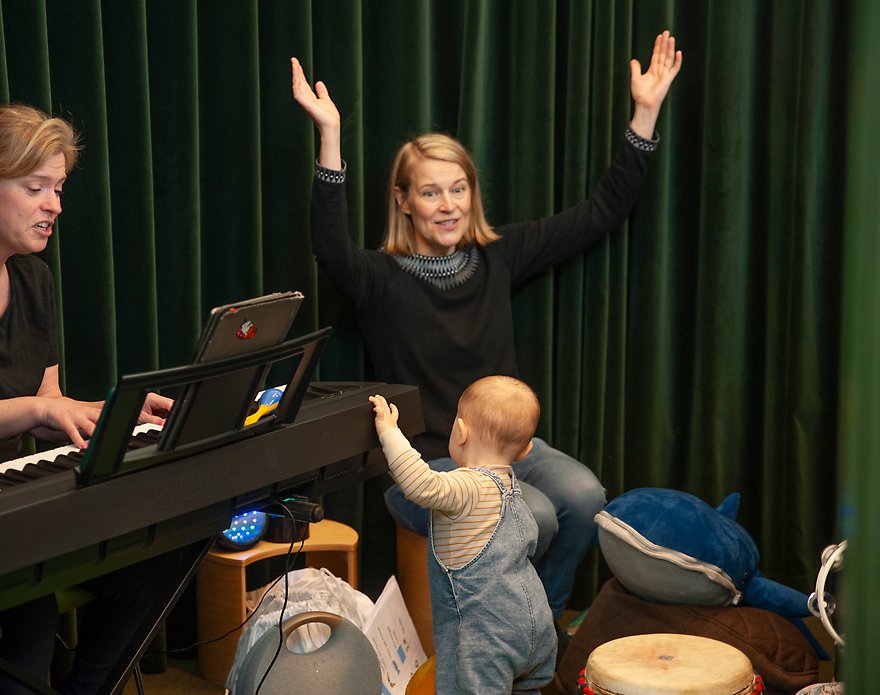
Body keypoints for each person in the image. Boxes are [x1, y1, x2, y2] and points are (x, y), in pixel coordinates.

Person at [291, 29, 682, 652]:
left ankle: (536, 628)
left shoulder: (499, 258)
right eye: (429, 191)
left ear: (471, 193)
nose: (447, 205)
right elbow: (328, 246)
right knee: (541, 515)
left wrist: (645, 112)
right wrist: (330, 138)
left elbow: (601, 211)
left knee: (586, 498)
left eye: (458, 188)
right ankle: (509, 633)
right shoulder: (378, 277)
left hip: (513, 454)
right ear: (403, 201)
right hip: (426, 467)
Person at [0, 103, 174, 694]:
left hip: (17, 486)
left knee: (159, 548)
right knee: (22, 635)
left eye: (58, 189)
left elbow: (47, 400)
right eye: (36, 187)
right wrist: (41, 409)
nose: (55, 206)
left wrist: (102, 415)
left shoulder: (34, 278)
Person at [370, 376, 557, 693]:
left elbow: (421, 484)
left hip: (487, 638)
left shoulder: (469, 487)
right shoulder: (510, 485)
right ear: (526, 451)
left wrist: (389, 432)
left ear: (460, 431)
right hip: (535, 626)